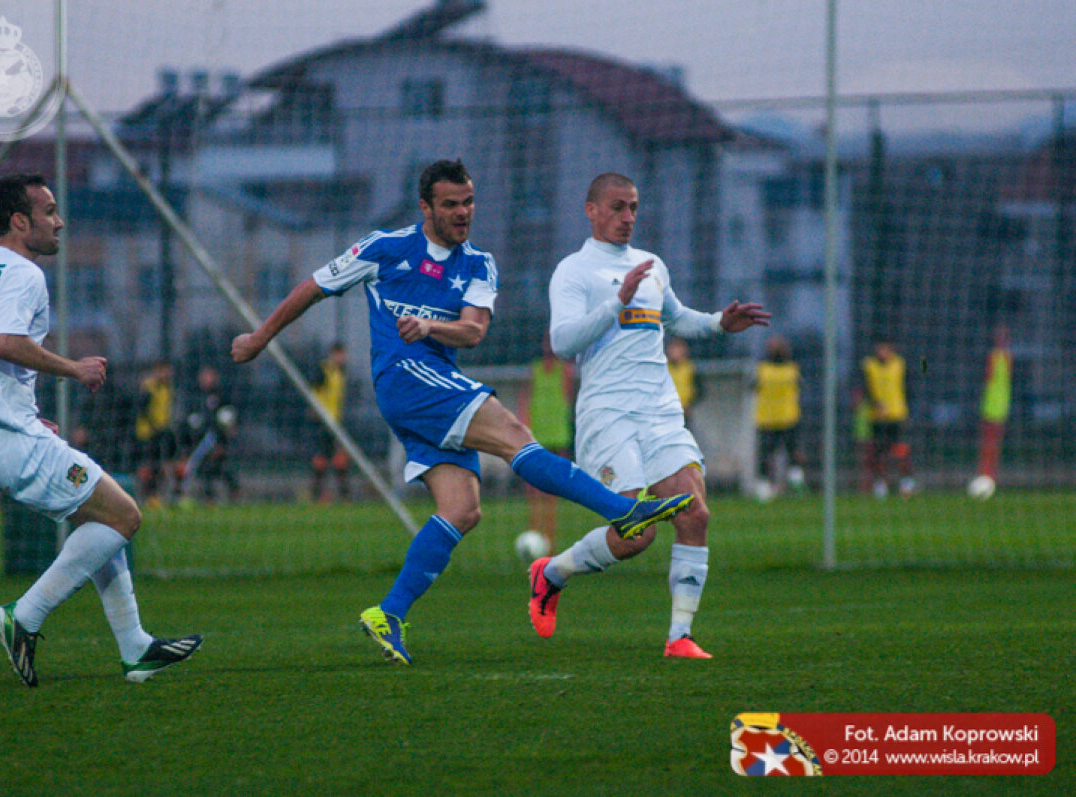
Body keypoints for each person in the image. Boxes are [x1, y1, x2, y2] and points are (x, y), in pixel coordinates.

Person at [232, 159, 694, 665]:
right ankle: (624, 511)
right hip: (407, 379)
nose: (462, 212)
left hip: (436, 382)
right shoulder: (386, 248)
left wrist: (431, 329)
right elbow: (313, 287)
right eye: (450, 204)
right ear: (425, 207)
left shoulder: (478, 263)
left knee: (463, 509)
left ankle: (388, 613)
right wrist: (259, 337)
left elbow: (474, 330)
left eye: (468, 202)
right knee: (515, 434)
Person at [0, 173, 201, 687]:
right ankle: (23, 617)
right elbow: (4, 344)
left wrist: (12, 408)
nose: (59, 221)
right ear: (19, 221)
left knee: (99, 522)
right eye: (49, 211)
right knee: (124, 515)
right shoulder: (25, 274)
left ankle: (136, 647)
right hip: (5, 436)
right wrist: (75, 368)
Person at [528, 172, 770, 659]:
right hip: (607, 412)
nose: (627, 217)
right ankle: (551, 573)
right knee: (636, 533)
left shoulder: (651, 263)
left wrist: (720, 324)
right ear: (591, 210)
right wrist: (616, 304)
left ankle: (679, 637)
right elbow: (563, 341)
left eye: (634, 208)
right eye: (617, 207)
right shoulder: (573, 271)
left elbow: (676, 318)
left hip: (659, 409)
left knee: (695, 514)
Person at [515, 332, 575, 551]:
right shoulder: (535, 369)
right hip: (537, 432)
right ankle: (535, 532)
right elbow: (525, 399)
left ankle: (550, 537)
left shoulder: (565, 370)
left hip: (558, 432)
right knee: (532, 489)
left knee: (554, 490)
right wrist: (524, 423)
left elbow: (568, 398)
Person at [860, 338, 915, 497]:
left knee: (901, 450)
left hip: (897, 415)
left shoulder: (900, 364)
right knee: (878, 452)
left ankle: (906, 482)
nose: (882, 351)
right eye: (880, 348)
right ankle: (880, 484)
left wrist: (909, 410)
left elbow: (909, 387)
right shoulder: (869, 365)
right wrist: (874, 403)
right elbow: (864, 388)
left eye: (885, 348)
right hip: (877, 417)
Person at [753, 335, 806, 497]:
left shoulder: (763, 369)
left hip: (779, 418)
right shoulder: (792, 370)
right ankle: (782, 483)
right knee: (775, 455)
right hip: (778, 418)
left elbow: (751, 387)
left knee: (774, 455)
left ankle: (773, 486)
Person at [180, 364, 239, 503]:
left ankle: (234, 492)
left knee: (222, 468)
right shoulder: (195, 398)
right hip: (200, 442)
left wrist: (223, 441)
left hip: (217, 440)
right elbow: (190, 421)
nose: (207, 379)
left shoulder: (222, 396)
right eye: (204, 376)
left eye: (210, 375)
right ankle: (208, 497)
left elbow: (230, 421)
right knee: (206, 470)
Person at [309, 342, 351, 502]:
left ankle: (341, 495)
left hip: (335, 421)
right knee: (324, 458)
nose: (343, 358)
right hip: (323, 421)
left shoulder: (340, 372)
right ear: (333, 354)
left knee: (338, 458)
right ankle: (319, 494)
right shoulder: (324, 370)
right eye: (339, 354)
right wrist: (315, 411)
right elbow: (313, 390)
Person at [134, 359, 178, 507]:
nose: (167, 373)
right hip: (147, 433)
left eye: (168, 370)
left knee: (159, 465)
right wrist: (153, 425)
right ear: (157, 371)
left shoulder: (168, 387)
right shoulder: (149, 387)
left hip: (161, 431)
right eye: (164, 370)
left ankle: (155, 495)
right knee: (150, 465)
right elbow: (142, 409)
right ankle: (147, 496)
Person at [974, 325, 1012, 486]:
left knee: (994, 445)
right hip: (990, 407)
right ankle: (985, 474)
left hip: (1001, 407)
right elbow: (987, 378)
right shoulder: (993, 357)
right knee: (988, 444)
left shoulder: (1008, 358)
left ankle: (990, 475)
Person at [665, 337, 701, 426]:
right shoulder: (663, 369)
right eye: (673, 348)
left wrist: (690, 405)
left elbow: (699, 390)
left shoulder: (690, 368)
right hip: (666, 412)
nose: (676, 352)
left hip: (685, 412)